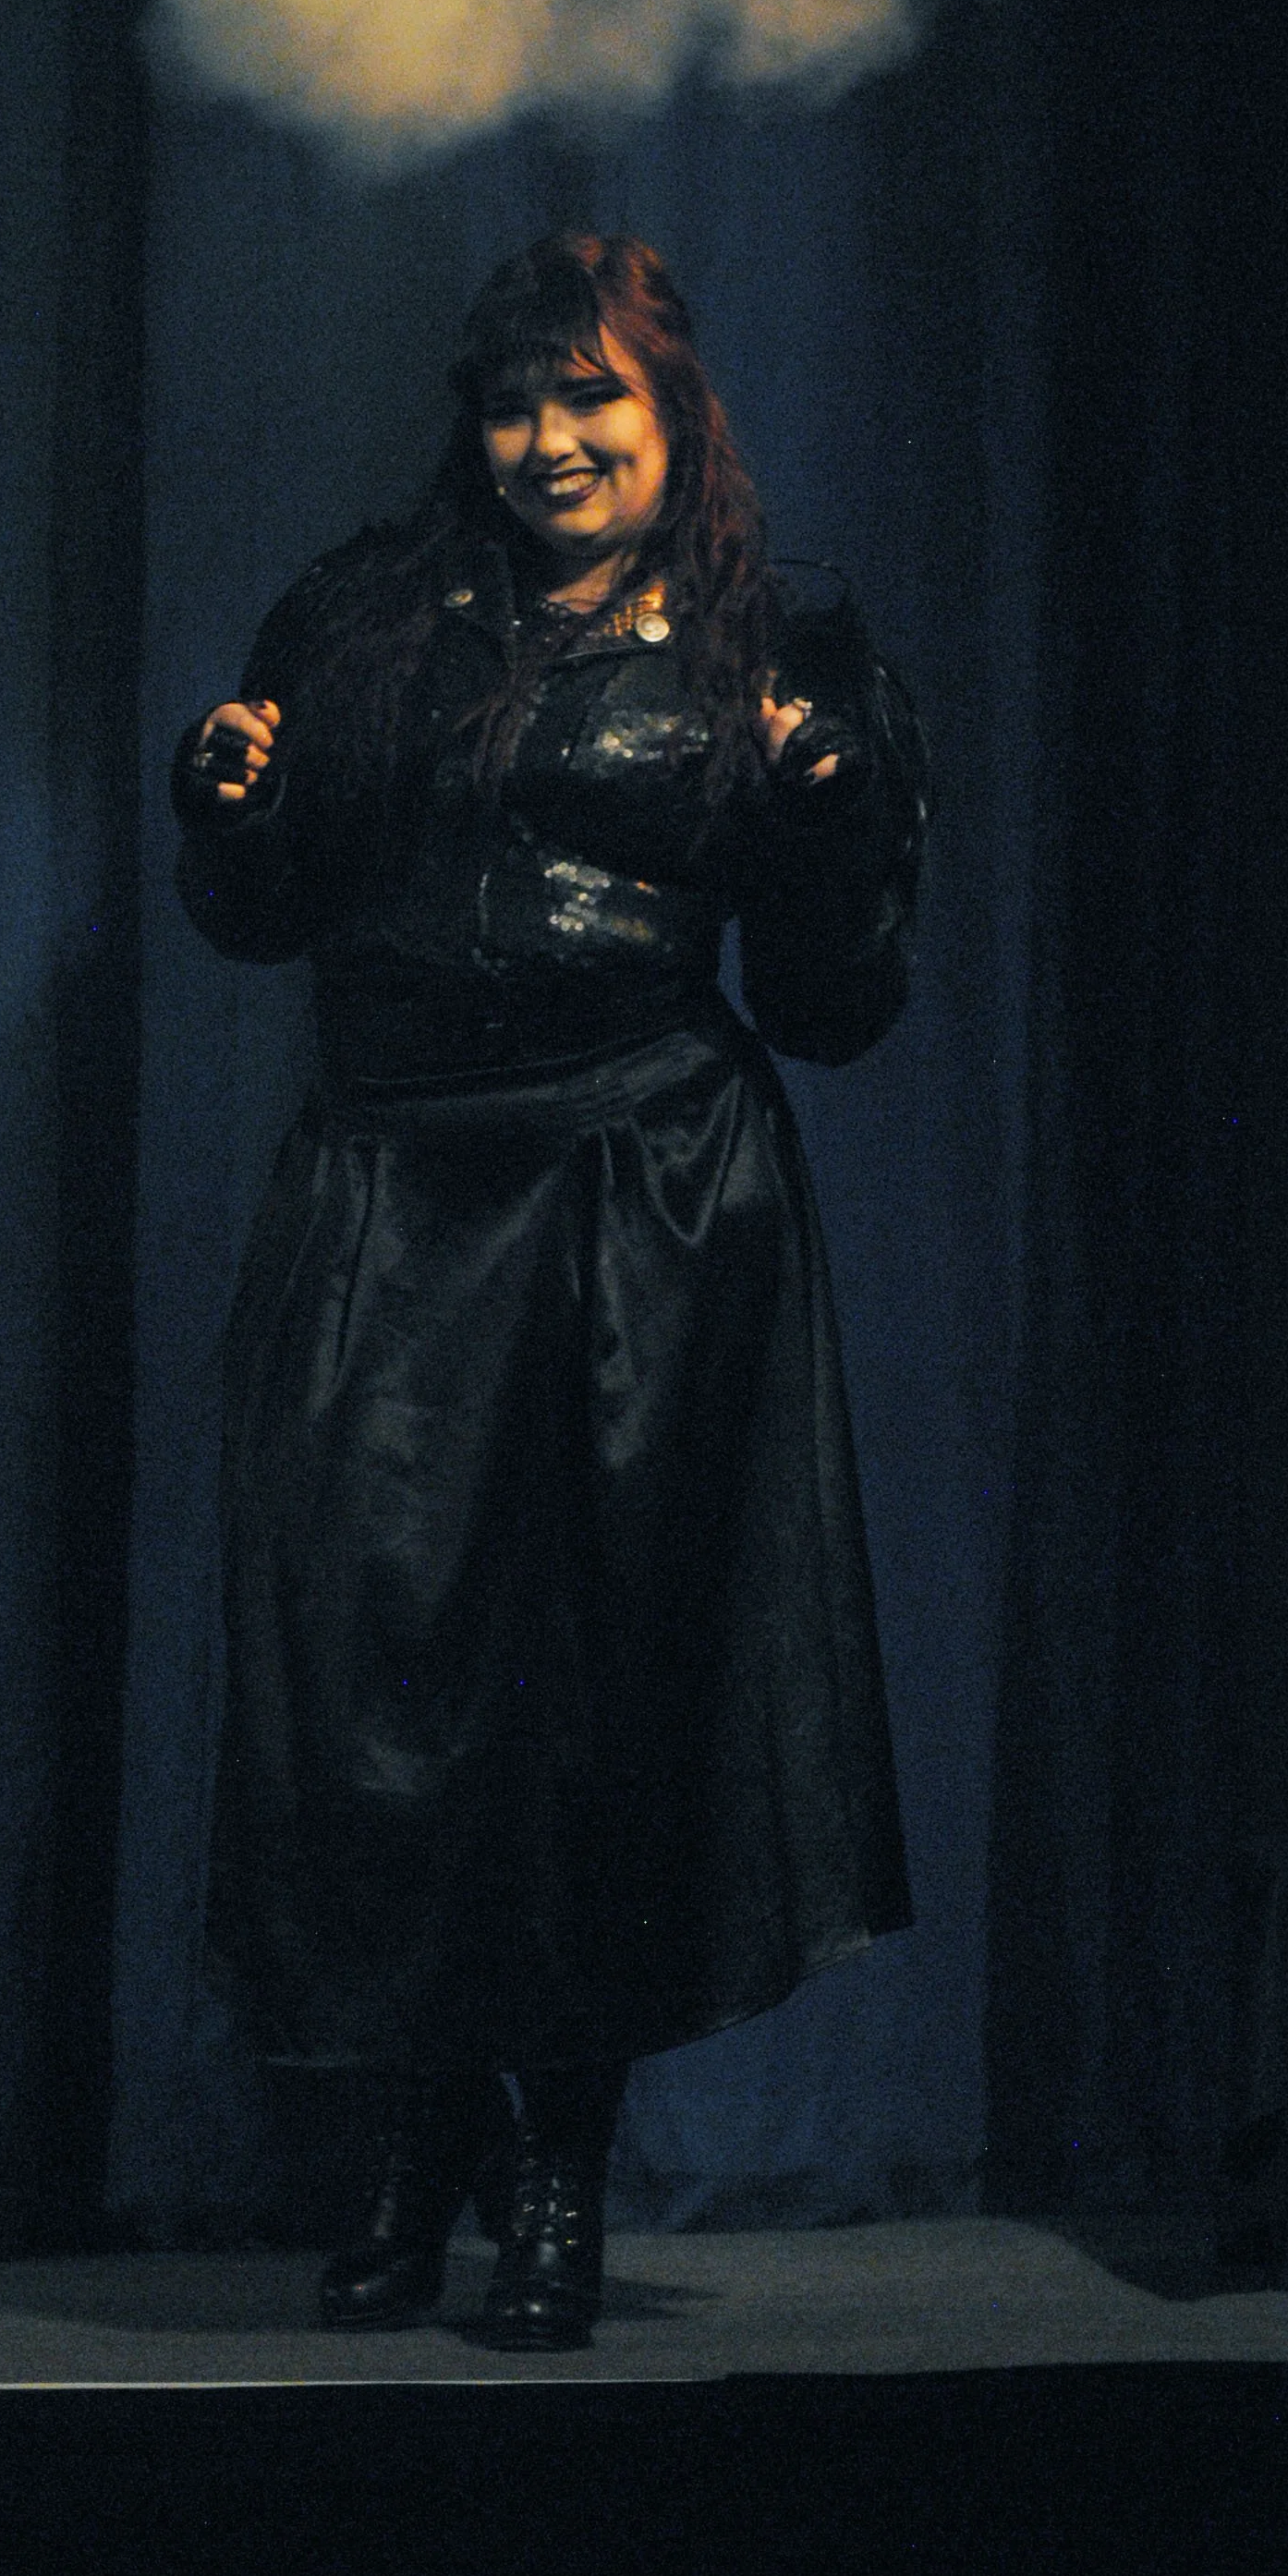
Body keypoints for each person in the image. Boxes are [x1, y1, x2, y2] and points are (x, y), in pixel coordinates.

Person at [173, 232, 926, 2351]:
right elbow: (262, 906)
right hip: (393, 1195)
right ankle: (415, 2161)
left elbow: (837, 1005)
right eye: (514, 403)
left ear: (670, 412)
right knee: (373, 1701)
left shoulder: (778, 646)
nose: (549, 442)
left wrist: (826, 819)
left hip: (644, 1211)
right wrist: (220, 810)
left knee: (588, 1710)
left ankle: (557, 2193)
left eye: (591, 398)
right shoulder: (367, 611)